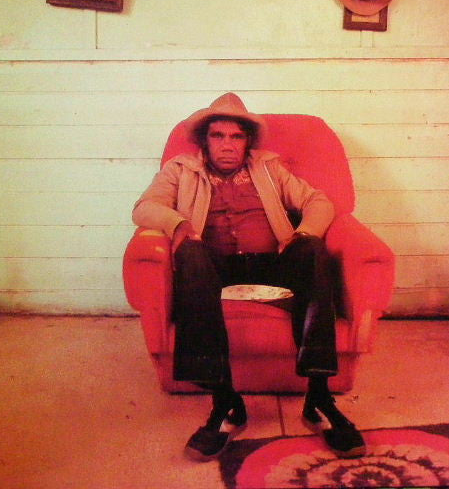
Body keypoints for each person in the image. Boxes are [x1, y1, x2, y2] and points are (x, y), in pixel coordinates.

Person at [132, 92, 366, 461]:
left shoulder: (269, 168)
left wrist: (303, 233)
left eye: (236, 136)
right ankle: (226, 402)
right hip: (213, 266)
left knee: (312, 249)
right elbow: (145, 207)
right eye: (218, 136)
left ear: (248, 142)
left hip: (272, 261)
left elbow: (318, 201)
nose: (227, 145)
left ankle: (319, 399)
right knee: (189, 253)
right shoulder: (180, 169)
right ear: (205, 140)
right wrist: (177, 224)